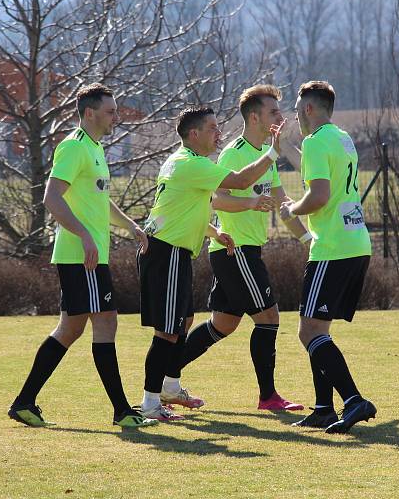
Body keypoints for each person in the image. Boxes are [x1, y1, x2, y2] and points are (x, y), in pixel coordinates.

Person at [8, 83, 157, 429]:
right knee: (105, 322)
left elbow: (100, 200)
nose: (116, 117)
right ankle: (122, 411)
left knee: (70, 328)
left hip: (88, 256)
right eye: (111, 111)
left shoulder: (94, 147)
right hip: (82, 257)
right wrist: (85, 236)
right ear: (89, 113)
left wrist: (131, 226)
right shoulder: (74, 147)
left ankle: (24, 402)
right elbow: (51, 198)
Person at [162, 85, 308, 411]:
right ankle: (268, 397)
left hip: (244, 250)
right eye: (273, 112)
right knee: (269, 318)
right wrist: (252, 201)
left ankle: (163, 380)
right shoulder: (233, 153)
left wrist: (308, 239)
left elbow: (283, 204)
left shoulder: (265, 158)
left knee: (222, 325)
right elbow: (217, 199)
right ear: (254, 117)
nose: (280, 118)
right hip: (236, 250)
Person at [136, 105, 284, 421]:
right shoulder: (193, 164)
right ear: (194, 134)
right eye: (213, 128)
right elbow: (242, 180)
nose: (218, 134)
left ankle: (171, 388)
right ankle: (150, 403)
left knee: (184, 323)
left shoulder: (181, 162)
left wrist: (216, 231)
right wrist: (273, 153)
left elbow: (184, 209)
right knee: (168, 331)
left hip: (173, 252)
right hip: (167, 253)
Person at [279, 81, 377, 434]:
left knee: (309, 332)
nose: (293, 114)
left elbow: (318, 194)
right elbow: (318, 171)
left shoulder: (316, 141)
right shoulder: (341, 138)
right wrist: (286, 148)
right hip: (355, 244)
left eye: (295, 108)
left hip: (331, 248)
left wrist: (292, 209)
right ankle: (323, 408)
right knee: (320, 330)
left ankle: (353, 400)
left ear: (307, 109)